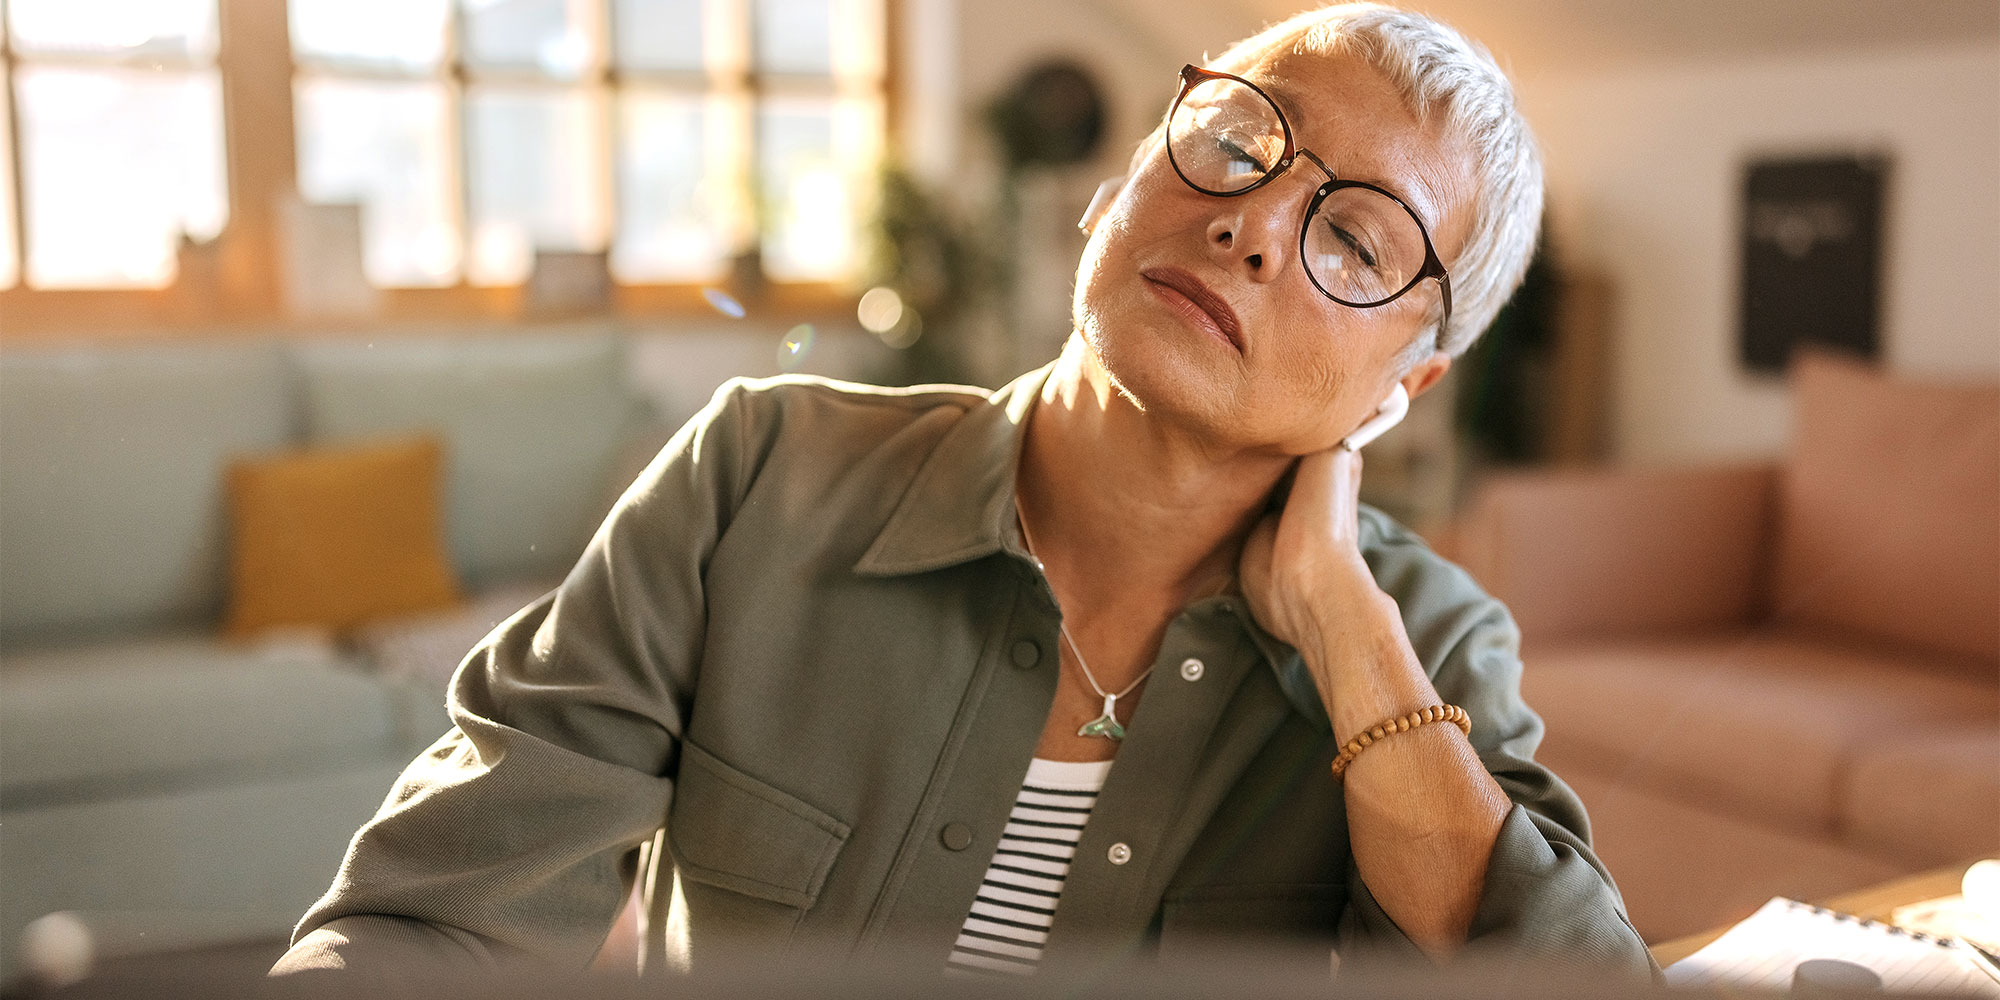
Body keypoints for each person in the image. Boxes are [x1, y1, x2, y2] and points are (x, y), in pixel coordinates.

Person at [272, 1, 1654, 985]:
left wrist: (1345, 632)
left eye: (1353, 235)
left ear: (1395, 392)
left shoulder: (1423, 643)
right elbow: (434, 921)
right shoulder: (756, 477)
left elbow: (1581, 977)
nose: (1248, 223)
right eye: (1238, 145)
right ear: (1120, 188)